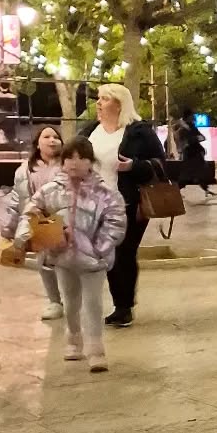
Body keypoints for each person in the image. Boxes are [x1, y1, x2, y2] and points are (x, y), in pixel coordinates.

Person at [12, 137, 126, 373]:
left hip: (93, 261)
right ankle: (73, 339)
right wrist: (26, 237)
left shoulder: (106, 194)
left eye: (81, 157)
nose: (75, 163)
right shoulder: (49, 192)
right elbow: (30, 214)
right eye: (69, 158)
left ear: (90, 161)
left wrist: (98, 249)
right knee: (71, 302)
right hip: (62, 258)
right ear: (62, 162)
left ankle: (96, 350)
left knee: (93, 304)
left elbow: (115, 223)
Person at [81, 83, 165, 329]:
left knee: (123, 252)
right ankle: (113, 303)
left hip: (129, 202)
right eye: (98, 98)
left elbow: (161, 164)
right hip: (94, 204)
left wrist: (133, 167)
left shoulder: (138, 132)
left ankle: (123, 306)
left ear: (119, 104)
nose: (98, 103)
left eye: (104, 99)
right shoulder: (90, 131)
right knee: (106, 253)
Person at [2, 126, 67, 321]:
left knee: (72, 263)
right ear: (37, 143)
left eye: (56, 137)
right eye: (47, 137)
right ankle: (55, 301)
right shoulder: (25, 170)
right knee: (45, 261)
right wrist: (9, 226)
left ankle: (75, 299)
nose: (52, 140)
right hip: (39, 221)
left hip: (65, 219)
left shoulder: (68, 165)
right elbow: (17, 198)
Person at [179, 106, 214, 198]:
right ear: (187, 116)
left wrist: (195, 139)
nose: (193, 117)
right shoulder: (183, 128)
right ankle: (176, 191)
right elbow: (186, 141)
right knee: (189, 174)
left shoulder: (191, 126)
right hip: (191, 154)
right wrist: (194, 139)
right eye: (191, 115)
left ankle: (206, 190)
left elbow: (201, 137)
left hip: (196, 153)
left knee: (199, 173)